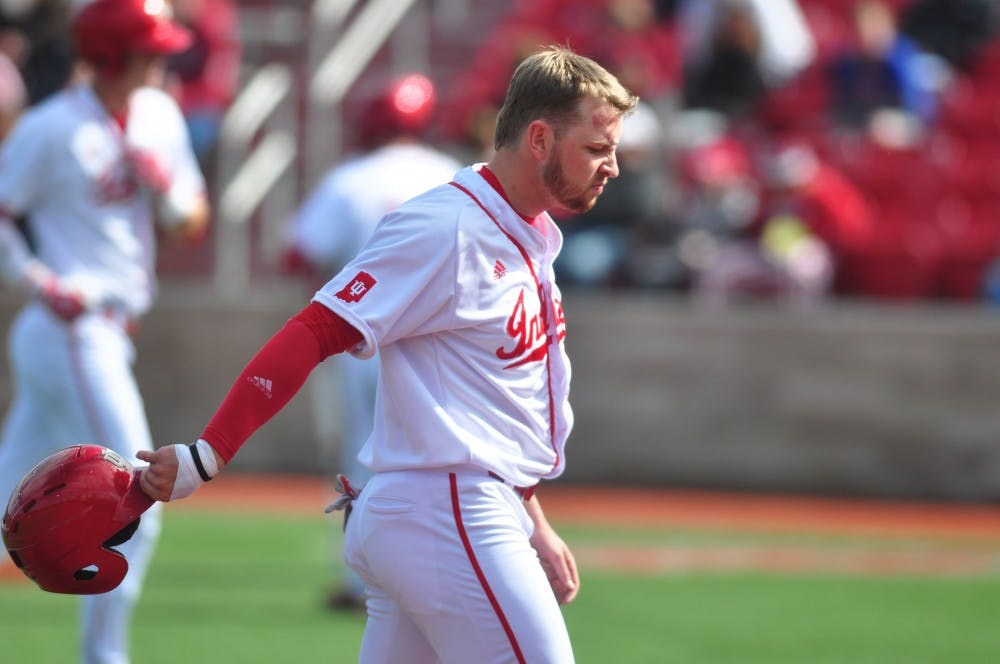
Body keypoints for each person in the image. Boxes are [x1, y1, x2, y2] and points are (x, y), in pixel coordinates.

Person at [138, 45, 638, 663]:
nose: (612, 165)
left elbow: (494, 407)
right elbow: (315, 329)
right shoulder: (448, 226)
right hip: (448, 510)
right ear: (539, 137)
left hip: (454, 507)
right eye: (596, 148)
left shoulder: (523, 229)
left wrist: (534, 523)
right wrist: (205, 455)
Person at [0, 1, 209, 662]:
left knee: (4, 499)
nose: (161, 60)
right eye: (148, 50)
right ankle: (104, 657)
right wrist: (38, 279)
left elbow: (190, 221)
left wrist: (165, 190)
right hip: (72, 326)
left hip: (107, 330)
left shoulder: (161, 115)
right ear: (112, 53)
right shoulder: (52, 126)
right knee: (136, 494)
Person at [283, 71, 461, 610]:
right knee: (440, 462)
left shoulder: (350, 177)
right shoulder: (451, 174)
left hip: (362, 343)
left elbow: (296, 253)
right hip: (438, 348)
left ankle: (365, 580)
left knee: (364, 460)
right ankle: (441, 574)